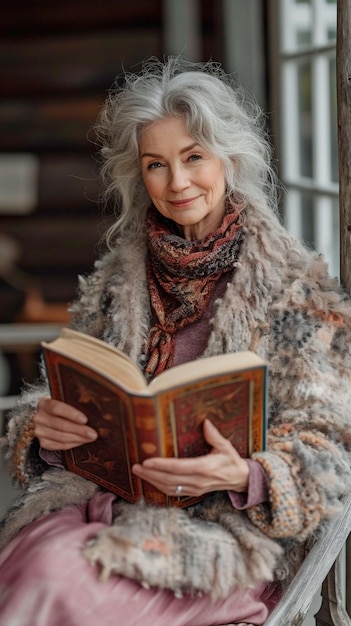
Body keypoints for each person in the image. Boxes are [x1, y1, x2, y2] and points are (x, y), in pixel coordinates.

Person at [1, 56, 351, 626]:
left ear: (230, 158)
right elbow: (63, 395)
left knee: (49, 581)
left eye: (193, 157)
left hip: (216, 540)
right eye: (156, 165)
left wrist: (244, 475)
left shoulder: (297, 291)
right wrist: (45, 430)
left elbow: (332, 448)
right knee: (32, 562)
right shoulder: (119, 278)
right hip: (103, 507)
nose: (177, 182)